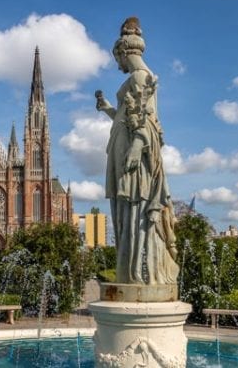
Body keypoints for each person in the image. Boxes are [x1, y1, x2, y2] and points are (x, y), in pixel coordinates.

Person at [95, 17, 179, 285]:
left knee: (135, 213)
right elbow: (127, 115)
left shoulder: (142, 77)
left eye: (117, 58)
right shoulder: (136, 78)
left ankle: (138, 272)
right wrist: (108, 108)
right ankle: (131, 270)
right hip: (124, 152)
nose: (116, 64)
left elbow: (148, 120)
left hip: (133, 156)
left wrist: (135, 147)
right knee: (126, 213)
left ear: (123, 52)